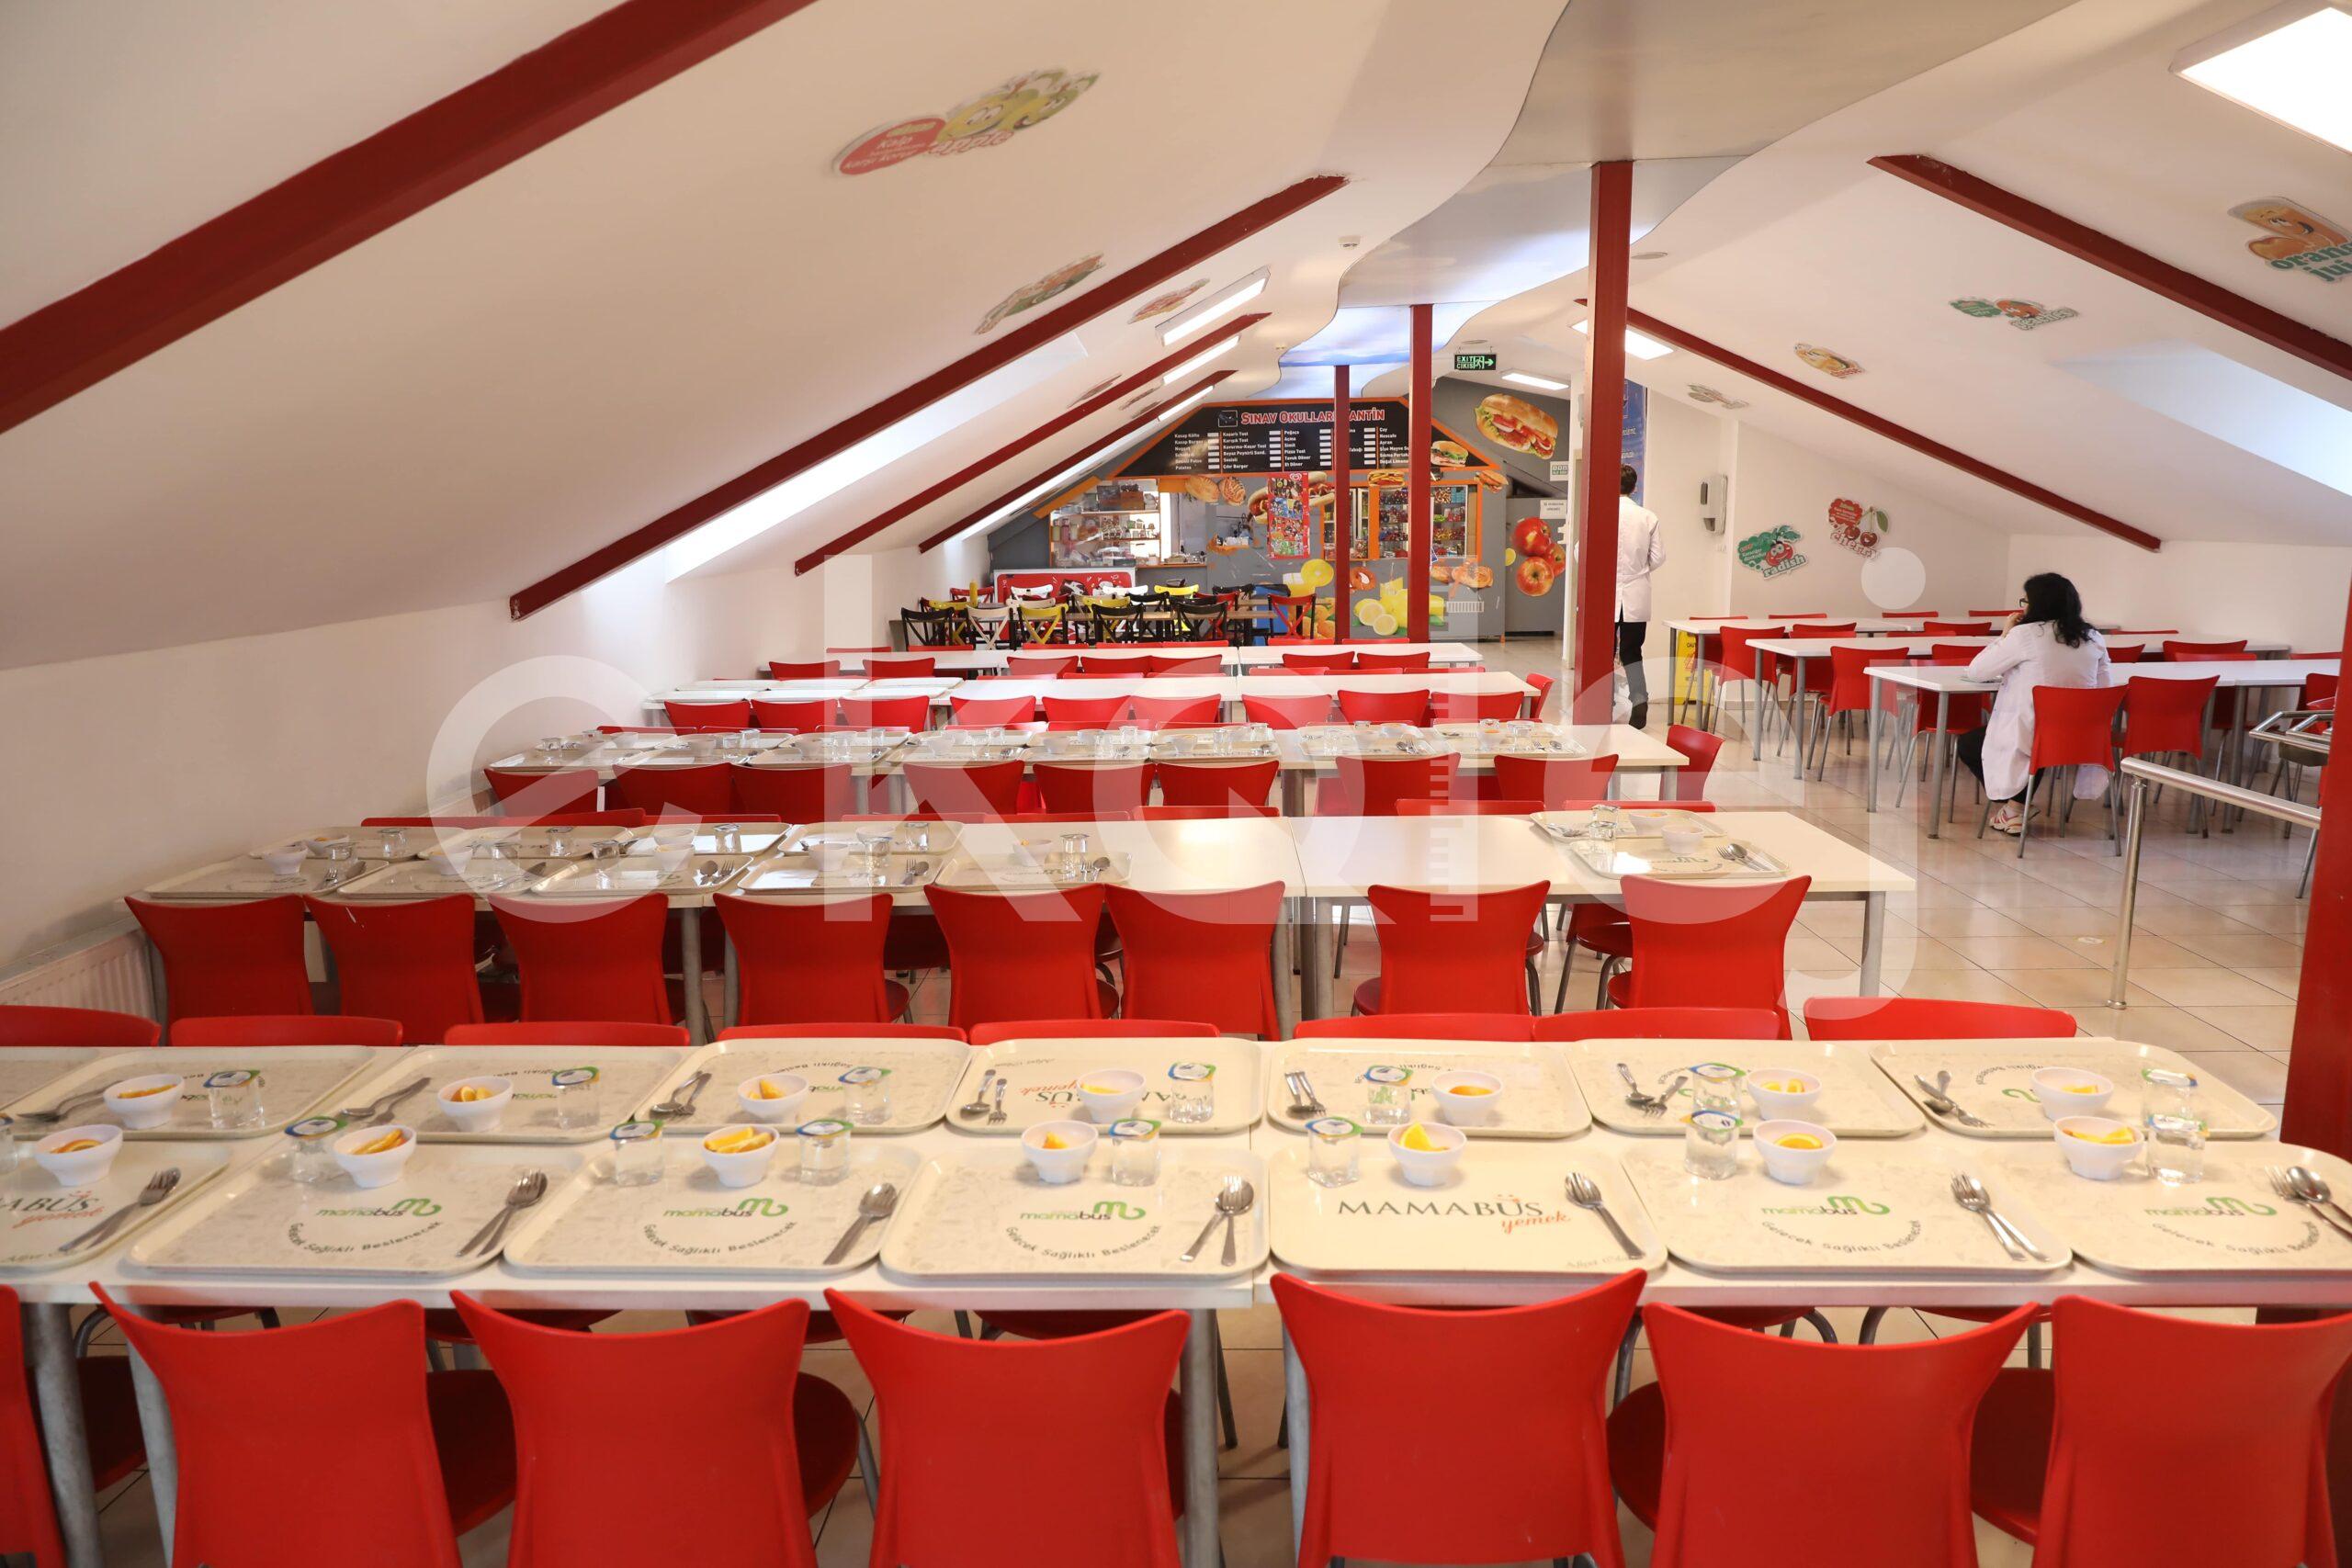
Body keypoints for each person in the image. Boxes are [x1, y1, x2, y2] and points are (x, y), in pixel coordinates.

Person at [1955, 572, 2112, 835]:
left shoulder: (2025, 635)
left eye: (2025, 601)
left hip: (2034, 733)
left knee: (1971, 744)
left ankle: (2014, 808)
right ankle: (2016, 809)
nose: (2023, 606)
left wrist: (2005, 635)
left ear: (2037, 604)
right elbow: (2104, 686)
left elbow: (1977, 672)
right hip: (2081, 735)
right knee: (2036, 739)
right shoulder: (2094, 637)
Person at [1614, 464, 1665, 728]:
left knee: (1602, 651)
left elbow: (1580, 552)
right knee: (1632, 651)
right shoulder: (1648, 517)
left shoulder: (1601, 513)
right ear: (1634, 488)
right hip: (1636, 593)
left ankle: (1603, 701)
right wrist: (1638, 571)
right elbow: (1659, 557)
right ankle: (1639, 702)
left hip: (1606, 594)